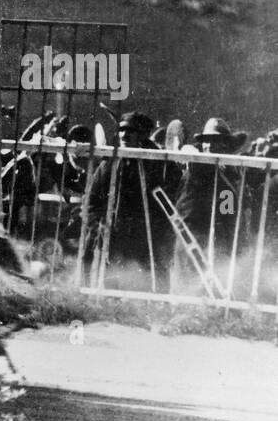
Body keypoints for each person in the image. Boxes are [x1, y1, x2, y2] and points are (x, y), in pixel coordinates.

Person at [81, 111, 172, 290]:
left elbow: (167, 200)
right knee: (109, 284)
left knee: (145, 285)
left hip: (144, 238)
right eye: (121, 130)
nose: (124, 135)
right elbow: (90, 201)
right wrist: (98, 226)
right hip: (113, 236)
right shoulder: (109, 165)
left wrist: (158, 229)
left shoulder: (155, 164)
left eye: (130, 131)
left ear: (141, 136)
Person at [172, 117, 251, 294]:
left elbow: (228, 212)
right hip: (190, 235)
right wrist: (188, 151)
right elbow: (188, 152)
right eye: (206, 141)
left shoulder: (229, 176)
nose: (209, 145)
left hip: (214, 240)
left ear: (225, 145)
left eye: (216, 141)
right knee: (187, 285)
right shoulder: (196, 164)